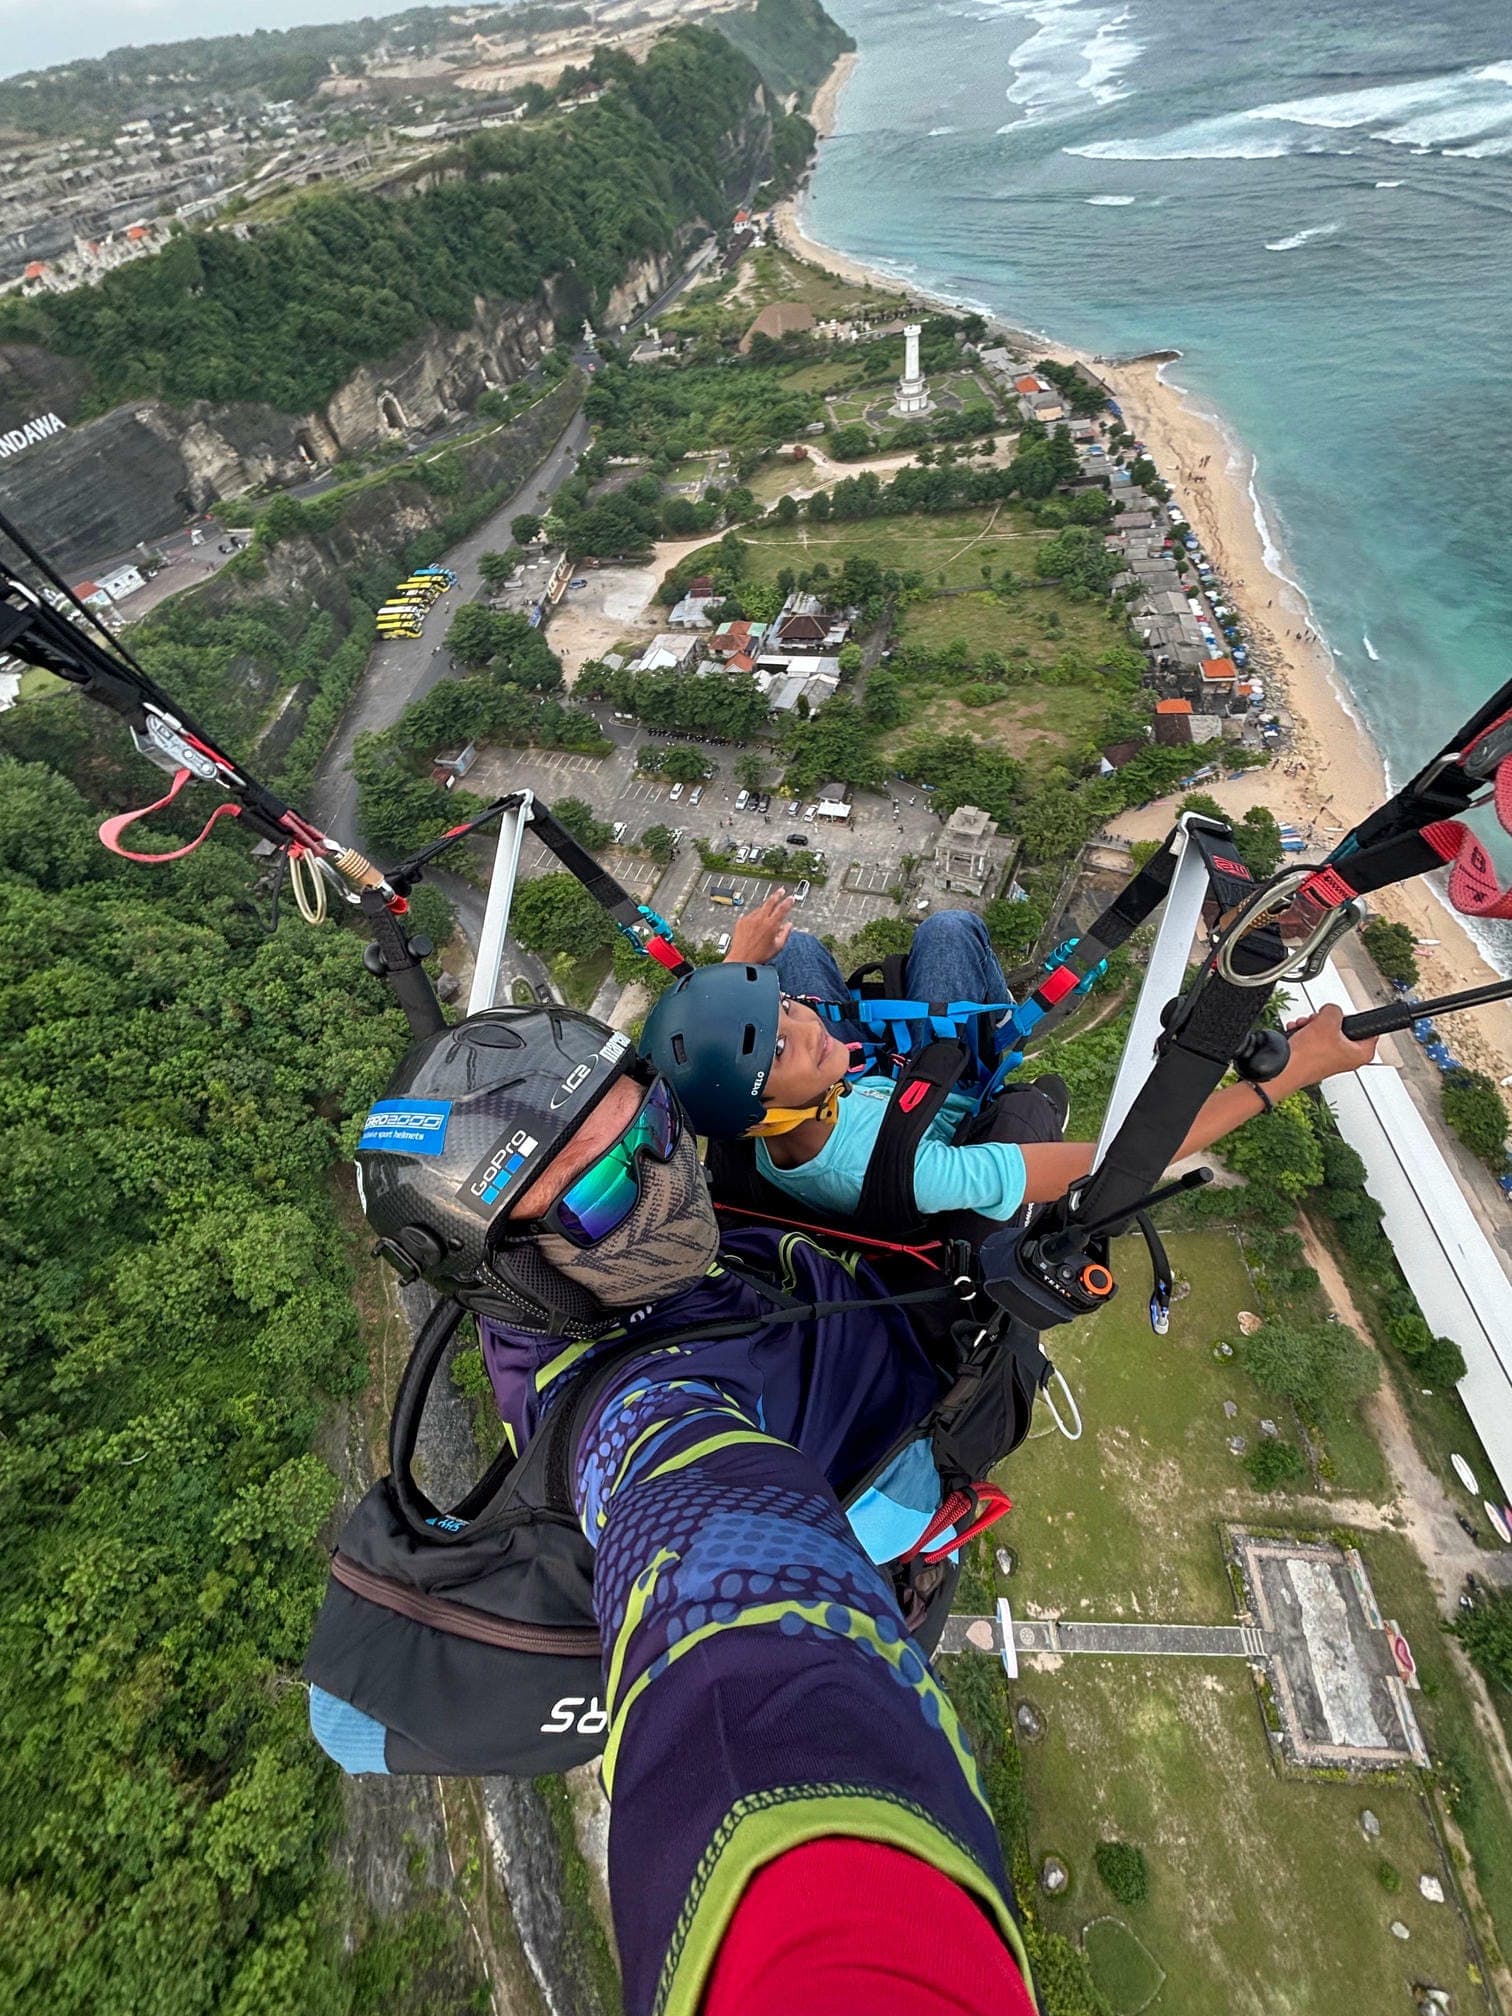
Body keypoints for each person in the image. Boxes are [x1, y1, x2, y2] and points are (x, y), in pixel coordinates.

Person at [330, 998, 1038, 2014]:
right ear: (515, 1269)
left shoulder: (625, 1267)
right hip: (892, 1492)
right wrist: (834, 1931)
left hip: (865, 1324)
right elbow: (718, 1574)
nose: (666, 1175)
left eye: (655, 1129)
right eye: (608, 1184)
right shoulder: (643, 1412)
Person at [643, 902, 1379, 1230]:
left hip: (859, 1094)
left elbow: (708, 1081)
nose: (804, 1025)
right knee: (951, 929)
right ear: (757, 1106)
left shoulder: (739, 1114)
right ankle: (996, 1023)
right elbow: (1120, 1160)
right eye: (777, 1042)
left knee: (796, 957)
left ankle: (764, 1014)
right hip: (924, 1108)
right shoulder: (917, 1173)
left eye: (790, 1012)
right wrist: (1290, 1072)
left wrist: (739, 969)